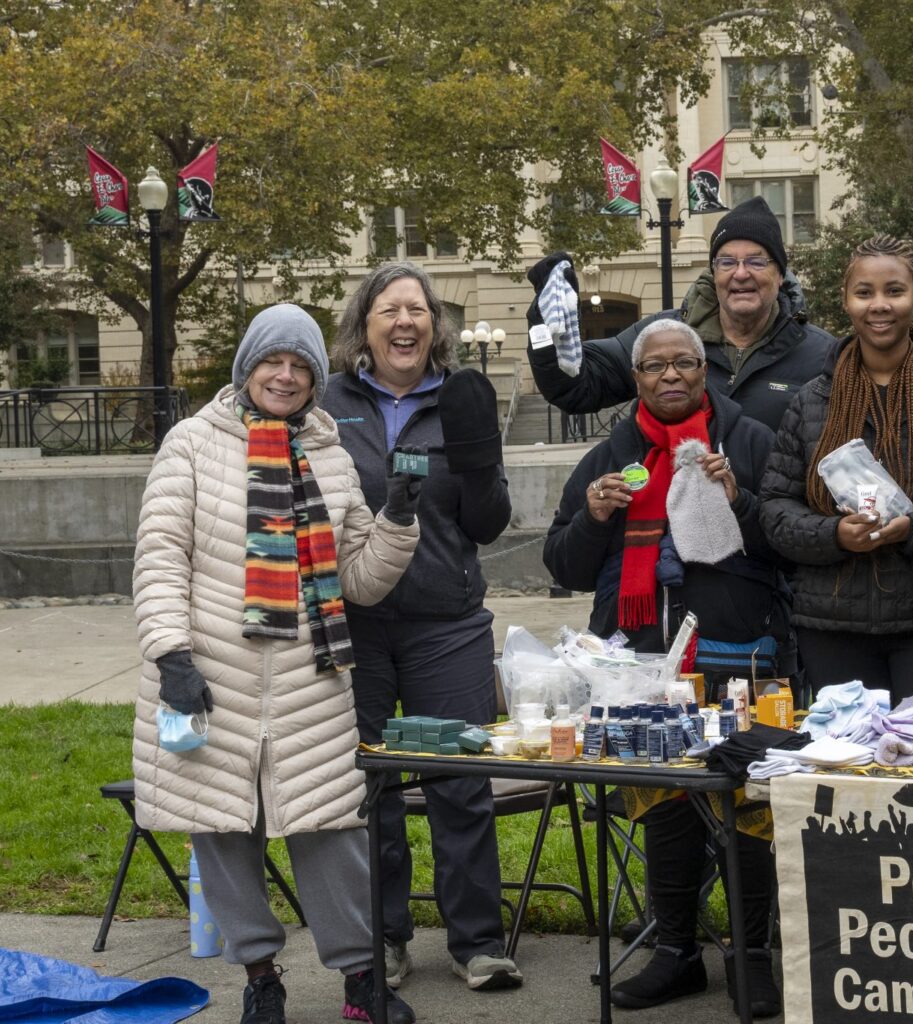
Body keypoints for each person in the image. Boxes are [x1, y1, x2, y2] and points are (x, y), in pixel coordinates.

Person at [131, 305, 422, 1024]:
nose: (285, 376)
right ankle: (261, 978)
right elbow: (161, 556)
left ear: (317, 379)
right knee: (223, 833)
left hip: (309, 677)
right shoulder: (191, 444)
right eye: (273, 362)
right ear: (247, 368)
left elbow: (359, 579)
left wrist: (398, 519)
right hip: (211, 676)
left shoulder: (332, 454)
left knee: (330, 831)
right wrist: (172, 655)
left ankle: (361, 981)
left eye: (301, 366)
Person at [542, 319, 786, 1018]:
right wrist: (590, 517)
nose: (671, 375)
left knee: (746, 808)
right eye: (656, 366)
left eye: (686, 363)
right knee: (666, 808)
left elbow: (793, 544)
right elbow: (563, 564)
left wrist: (740, 497)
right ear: (638, 377)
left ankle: (751, 955)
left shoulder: (750, 441)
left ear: (705, 370)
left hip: (742, 657)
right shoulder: (611, 454)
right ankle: (675, 952)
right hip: (639, 668)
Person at [322, 263, 523, 992]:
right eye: (389, 310)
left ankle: (477, 943)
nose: (405, 322)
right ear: (364, 326)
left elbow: (488, 524)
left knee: (459, 784)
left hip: (447, 622)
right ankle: (385, 937)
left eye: (418, 310)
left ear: (435, 328)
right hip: (354, 625)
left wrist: (480, 468)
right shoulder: (327, 401)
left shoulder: (460, 397)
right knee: (365, 787)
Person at [759, 235, 913, 715]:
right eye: (864, 293)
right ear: (846, 300)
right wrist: (835, 535)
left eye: (894, 291)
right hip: (832, 626)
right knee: (848, 773)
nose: (879, 306)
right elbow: (776, 511)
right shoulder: (812, 402)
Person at [526, 195, 836, 431]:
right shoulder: (659, 337)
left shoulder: (823, 356)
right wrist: (549, 330)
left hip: (773, 515)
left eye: (756, 262)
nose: (740, 274)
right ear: (713, 274)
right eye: (726, 262)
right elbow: (576, 386)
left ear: (780, 274)